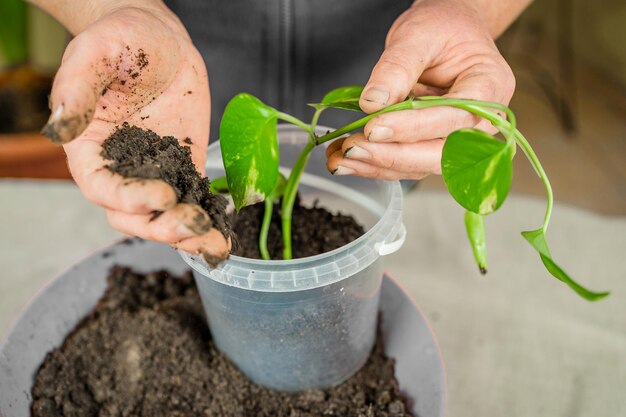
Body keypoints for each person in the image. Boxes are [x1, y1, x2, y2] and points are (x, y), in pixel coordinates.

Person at [31, 0, 531, 259]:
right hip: (175, 85)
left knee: (365, 186)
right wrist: (113, 7)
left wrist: (469, 9)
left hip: (389, 74)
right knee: (201, 213)